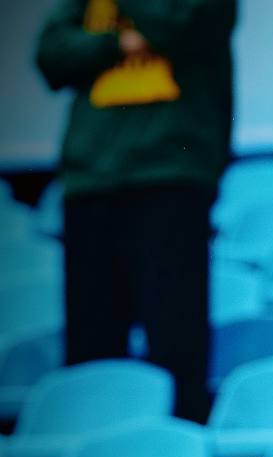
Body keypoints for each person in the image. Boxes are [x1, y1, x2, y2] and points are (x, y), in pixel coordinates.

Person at [36, 0, 236, 423]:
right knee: (91, 356)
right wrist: (119, 42)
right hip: (91, 179)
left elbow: (181, 26)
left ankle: (176, 451)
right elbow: (51, 55)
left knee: (175, 347)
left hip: (170, 174)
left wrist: (109, 36)